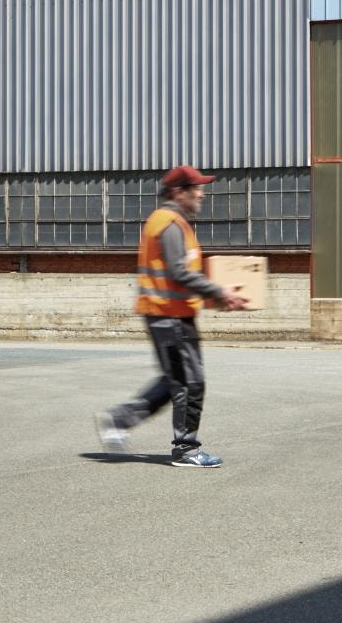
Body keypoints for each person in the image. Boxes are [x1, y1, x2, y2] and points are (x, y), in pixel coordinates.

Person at [96, 166, 248, 468]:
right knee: (191, 383)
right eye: (197, 188)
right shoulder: (169, 224)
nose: (202, 194)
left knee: (175, 381)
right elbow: (179, 273)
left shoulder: (172, 222)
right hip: (169, 317)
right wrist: (220, 293)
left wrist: (215, 296)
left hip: (171, 314)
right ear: (179, 192)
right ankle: (186, 449)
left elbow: (179, 276)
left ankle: (119, 419)